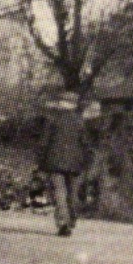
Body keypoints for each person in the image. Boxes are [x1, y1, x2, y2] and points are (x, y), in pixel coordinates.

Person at [37, 91, 94, 236]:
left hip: (54, 163)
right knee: (72, 193)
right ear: (73, 105)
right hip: (75, 164)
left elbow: (43, 143)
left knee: (60, 193)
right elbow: (86, 144)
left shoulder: (52, 120)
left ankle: (63, 223)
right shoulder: (80, 121)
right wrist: (86, 162)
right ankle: (72, 219)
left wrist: (41, 162)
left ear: (61, 103)